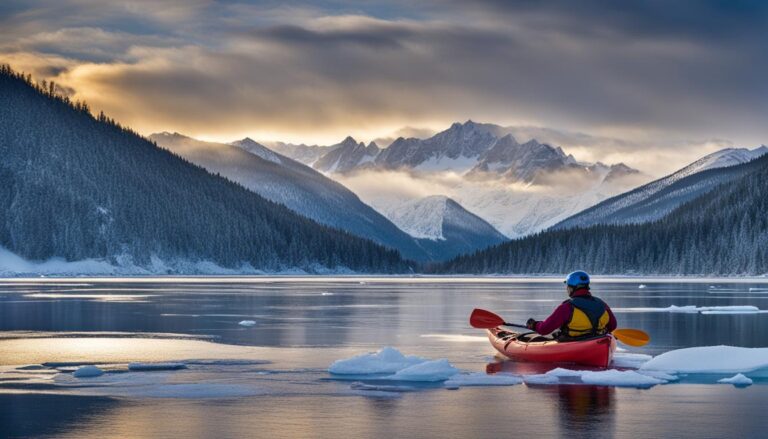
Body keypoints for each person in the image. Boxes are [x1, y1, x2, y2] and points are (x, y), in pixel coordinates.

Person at [525, 271, 617, 340]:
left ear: (572, 288)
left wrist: (534, 325)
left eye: (568, 287)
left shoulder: (567, 307)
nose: (567, 289)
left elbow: (544, 329)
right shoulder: (602, 304)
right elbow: (612, 326)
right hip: (597, 340)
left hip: (573, 343)